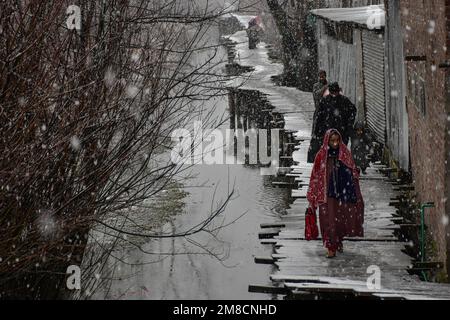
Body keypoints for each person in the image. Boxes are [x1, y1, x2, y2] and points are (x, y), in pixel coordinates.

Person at [307, 129, 364, 258]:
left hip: (341, 194)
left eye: (337, 140)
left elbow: (353, 169)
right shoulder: (321, 155)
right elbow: (315, 175)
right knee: (327, 220)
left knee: (339, 219)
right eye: (332, 141)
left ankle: (337, 241)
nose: (335, 143)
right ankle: (330, 246)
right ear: (327, 140)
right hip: (326, 193)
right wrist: (312, 196)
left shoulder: (344, 153)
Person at [307, 82, 356, 163]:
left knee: (340, 151)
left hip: (341, 131)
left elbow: (353, 110)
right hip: (328, 131)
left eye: (335, 92)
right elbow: (318, 116)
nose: (334, 95)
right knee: (328, 152)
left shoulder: (344, 101)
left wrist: (349, 124)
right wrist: (317, 130)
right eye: (332, 92)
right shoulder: (325, 101)